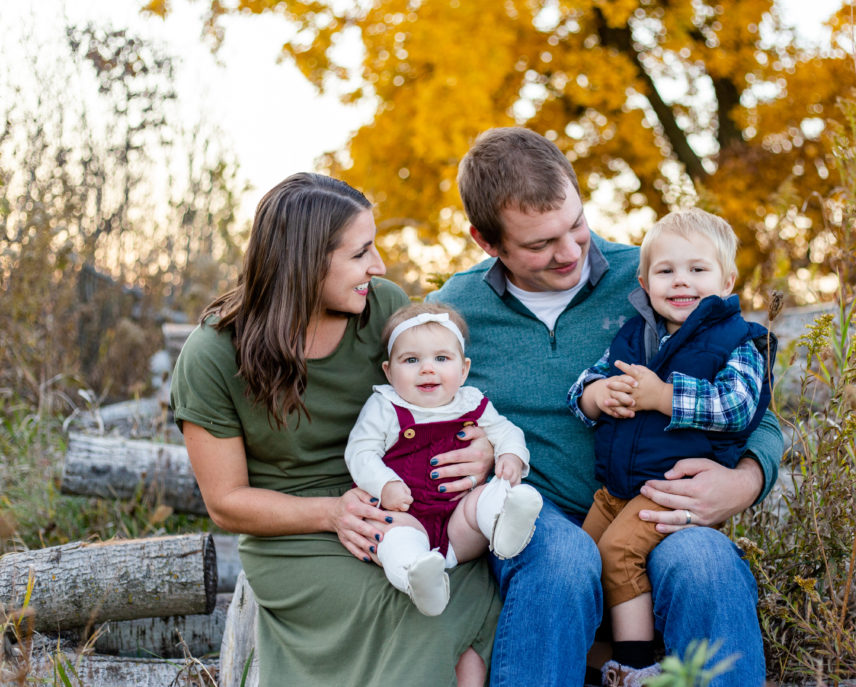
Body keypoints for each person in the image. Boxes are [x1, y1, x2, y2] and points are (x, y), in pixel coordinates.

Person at [428, 128, 783, 687]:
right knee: (562, 560)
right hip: (531, 517)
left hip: (655, 506)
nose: (570, 252)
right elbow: (418, 414)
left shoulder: (655, 277)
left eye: (576, 225)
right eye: (541, 244)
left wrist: (742, 482)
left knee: (706, 565)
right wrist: (467, 447)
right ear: (486, 242)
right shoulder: (453, 312)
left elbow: (754, 408)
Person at [170, 173, 502, 686]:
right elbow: (226, 501)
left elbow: (441, 398)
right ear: (304, 262)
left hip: (401, 506)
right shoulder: (213, 355)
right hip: (295, 530)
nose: (379, 265)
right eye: (360, 252)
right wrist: (330, 513)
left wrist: (480, 448)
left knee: (468, 592)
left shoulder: (384, 308)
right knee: (415, 609)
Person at [569, 208, 777, 686]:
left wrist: (663, 397)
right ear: (644, 280)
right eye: (666, 271)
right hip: (616, 485)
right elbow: (590, 382)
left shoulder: (740, 341)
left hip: (668, 487)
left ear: (727, 279)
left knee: (620, 553)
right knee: (587, 556)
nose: (681, 282)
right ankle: (602, 652)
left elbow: (739, 409)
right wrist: (596, 397)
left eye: (697, 270)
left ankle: (634, 666)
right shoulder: (636, 334)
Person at [345, 301, 543, 616]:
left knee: (483, 497)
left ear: (463, 369)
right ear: (389, 370)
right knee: (392, 535)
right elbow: (360, 452)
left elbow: (507, 431)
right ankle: (420, 577)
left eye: (441, 358)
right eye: (411, 360)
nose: (427, 368)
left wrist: (510, 456)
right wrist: (385, 485)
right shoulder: (385, 406)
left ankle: (505, 526)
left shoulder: (472, 402)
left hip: (458, 526)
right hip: (405, 512)